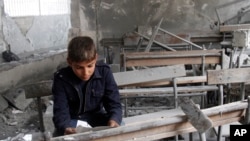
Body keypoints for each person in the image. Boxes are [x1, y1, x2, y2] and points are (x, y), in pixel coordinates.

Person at [52, 36, 122, 136]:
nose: (85, 72)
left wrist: (114, 119)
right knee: (66, 135)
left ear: (96, 58)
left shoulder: (104, 72)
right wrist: (65, 127)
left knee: (119, 127)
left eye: (90, 66)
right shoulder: (61, 78)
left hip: (97, 118)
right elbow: (60, 111)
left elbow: (114, 104)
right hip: (73, 121)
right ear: (70, 62)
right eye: (79, 67)